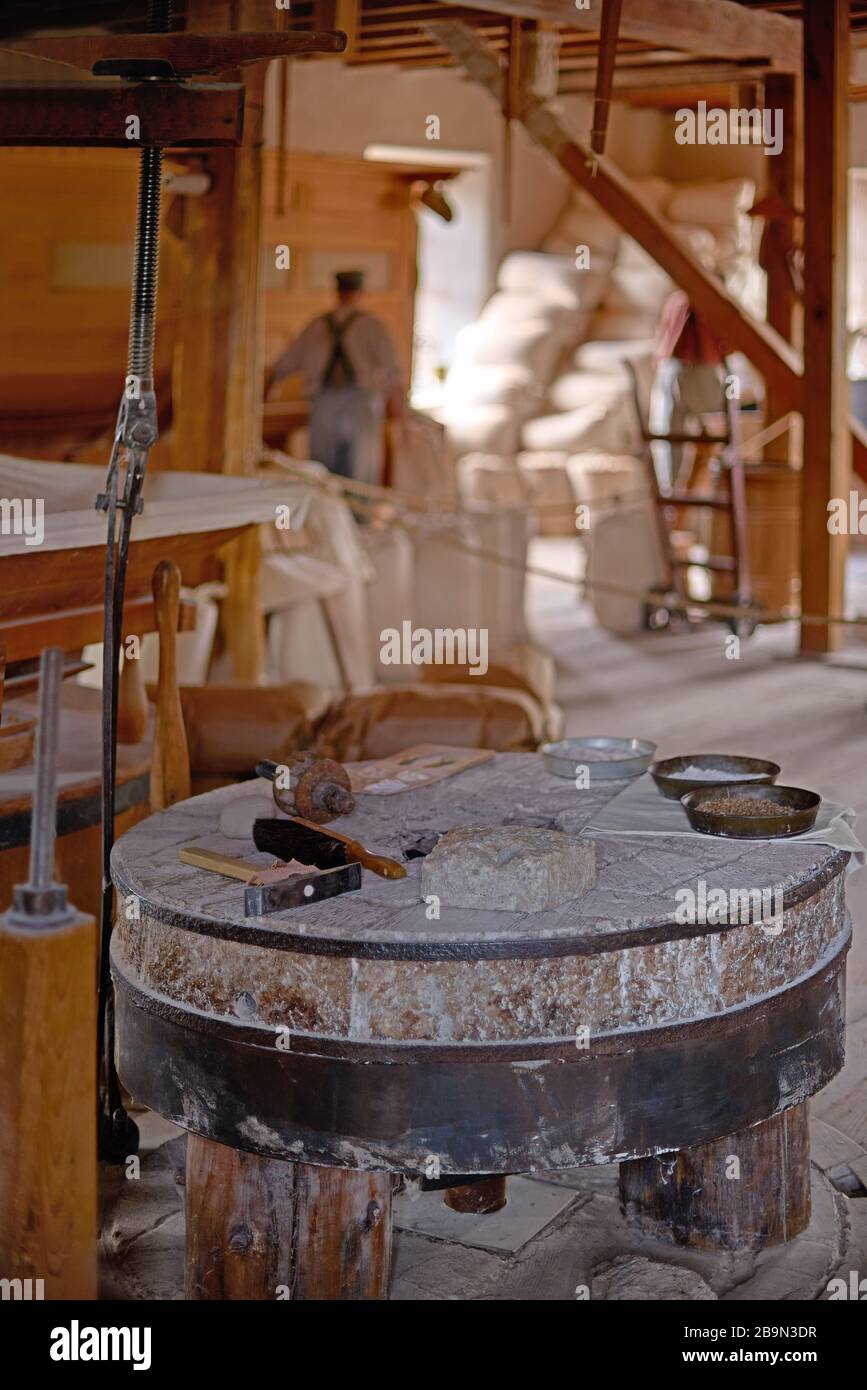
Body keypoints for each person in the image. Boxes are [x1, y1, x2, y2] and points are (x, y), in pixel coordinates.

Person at [266, 269, 404, 485]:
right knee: (350, 466)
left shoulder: (319, 326)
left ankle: (344, 513)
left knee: (334, 466)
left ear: (338, 292)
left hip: (342, 402)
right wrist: (397, 405)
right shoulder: (370, 326)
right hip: (343, 401)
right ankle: (353, 515)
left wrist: (271, 386)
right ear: (360, 293)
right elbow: (391, 371)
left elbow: (286, 363)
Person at [650, 289, 729, 492]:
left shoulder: (682, 302)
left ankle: (673, 497)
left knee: (672, 441)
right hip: (685, 371)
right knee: (669, 442)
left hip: (691, 372)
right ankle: (671, 498)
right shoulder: (682, 302)